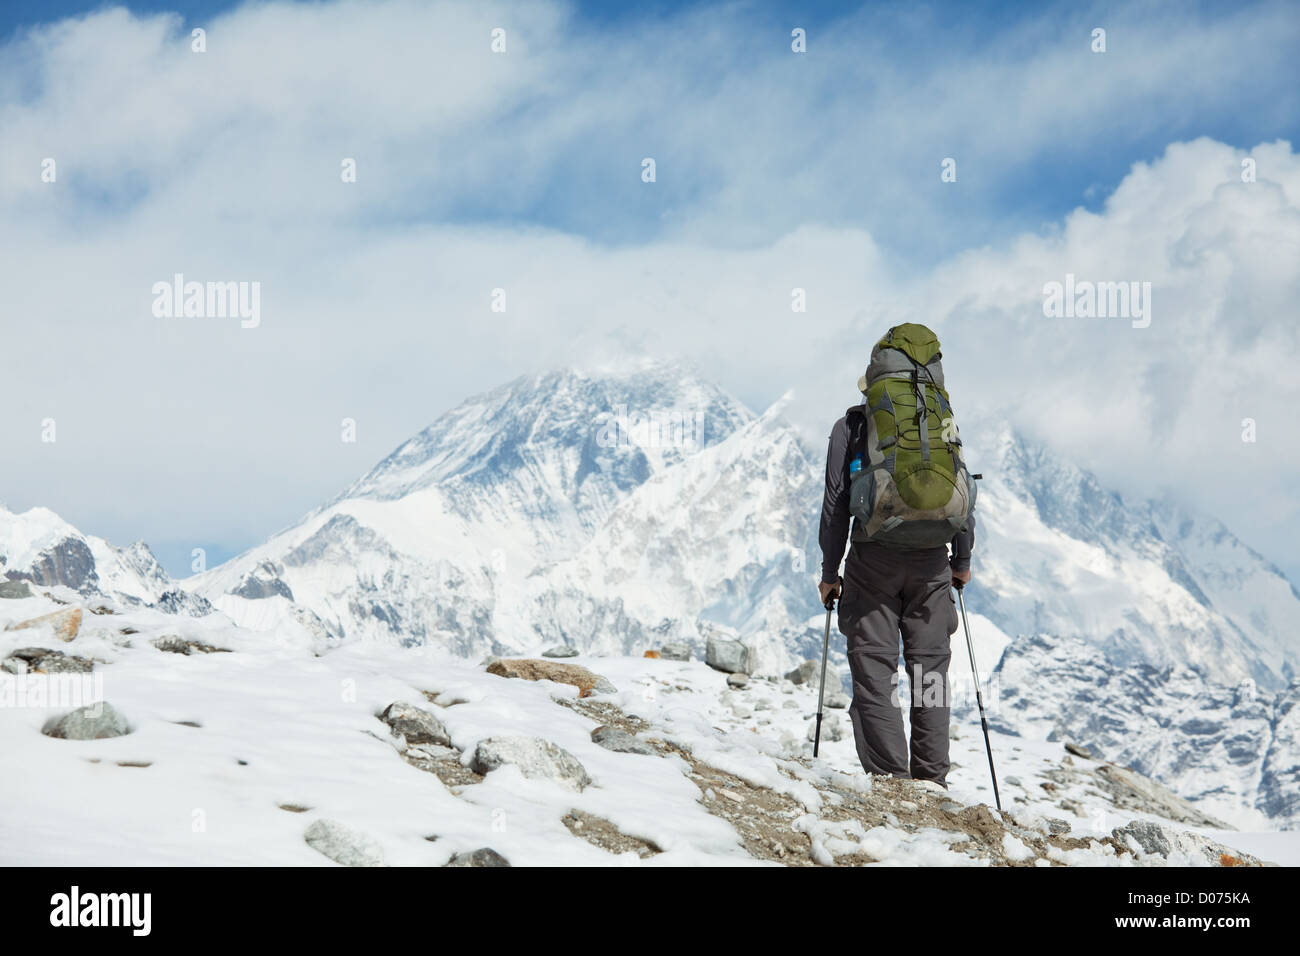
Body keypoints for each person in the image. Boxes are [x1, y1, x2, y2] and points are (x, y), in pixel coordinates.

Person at [817, 324, 975, 788]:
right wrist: (961, 562)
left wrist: (830, 572)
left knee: (875, 671)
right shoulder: (942, 422)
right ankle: (932, 784)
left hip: (873, 562)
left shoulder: (852, 425)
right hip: (932, 564)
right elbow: (962, 492)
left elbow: (835, 505)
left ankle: (893, 784)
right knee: (931, 675)